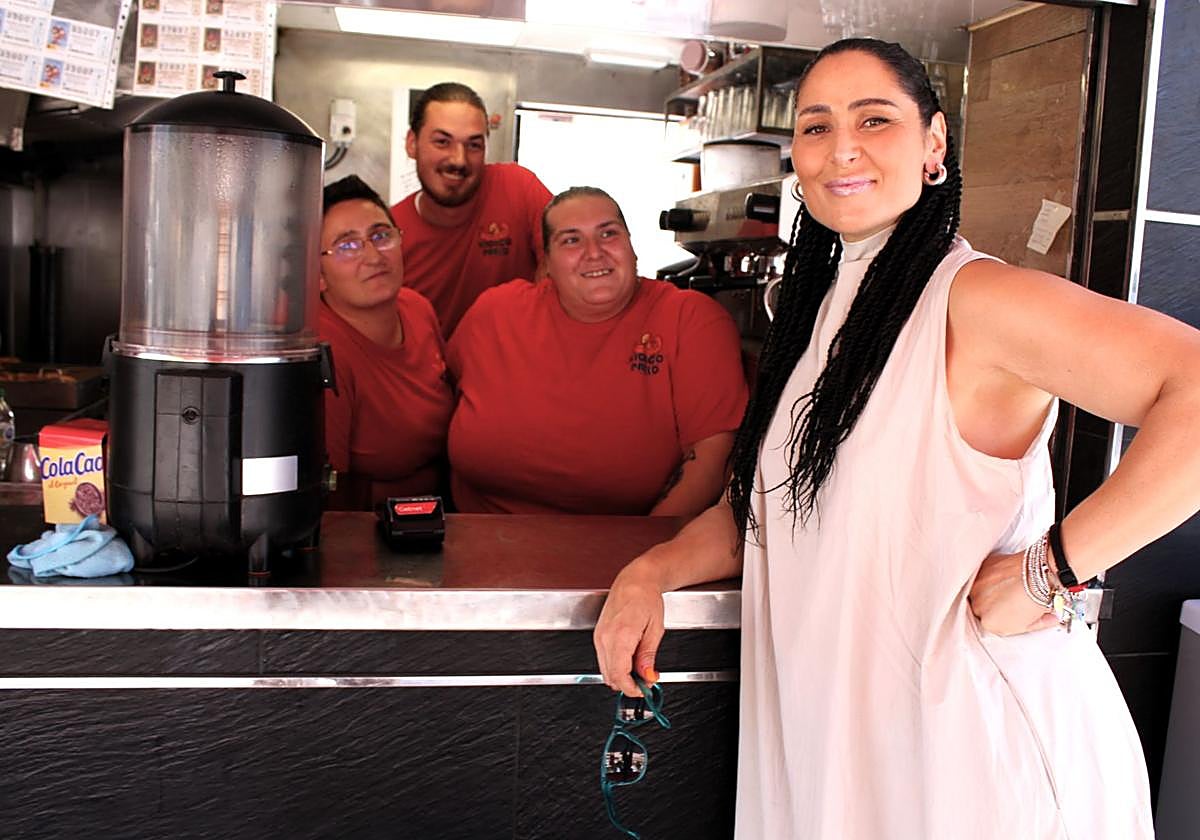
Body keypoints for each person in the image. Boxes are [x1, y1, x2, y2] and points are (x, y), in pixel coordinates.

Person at [594, 38, 1200, 839]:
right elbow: (763, 512)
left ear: (934, 144)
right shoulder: (822, 312)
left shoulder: (974, 298)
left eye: (874, 119)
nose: (842, 147)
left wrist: (1049, 571)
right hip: (840, 752)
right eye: (815, 126)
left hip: (973, 756)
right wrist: (648, 574)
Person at [445, 186, 748, 517]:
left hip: (631, 553)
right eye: (571, 240)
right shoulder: (494, 313)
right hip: (478, 542)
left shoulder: (690, 319)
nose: (594, 252)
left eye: (608, 234)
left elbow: (712, 458)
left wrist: (645, 559)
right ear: (546, 263)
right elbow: (441, 393)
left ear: (632, 248)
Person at [318, 175, 454, 510]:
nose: (373, 256)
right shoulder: (322, 352)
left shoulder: (417, 308)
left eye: (381, 236)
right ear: (317, 274)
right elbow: (329, 499)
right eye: (348, 245)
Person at [391, 82, 552, 338]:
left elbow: (567, 253)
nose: (459, 160)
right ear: (412, 143)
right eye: (442, 142)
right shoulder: (390, 235)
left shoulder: (517, 188)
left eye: (473, 145)